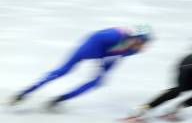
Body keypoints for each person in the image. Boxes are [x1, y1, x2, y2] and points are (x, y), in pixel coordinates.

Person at [10, 25, 153, 108]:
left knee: (98, 81)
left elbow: (118, 55)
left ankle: (60, 99)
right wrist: (102, 57)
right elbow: (95, 38)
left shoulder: (134, 49)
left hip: (110, 53)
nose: (144, 46)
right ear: (137, 38)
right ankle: (25, 92)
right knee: (63, 71)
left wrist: (105, 62)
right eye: (144, 42)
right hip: (94, 44)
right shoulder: (112, 35)